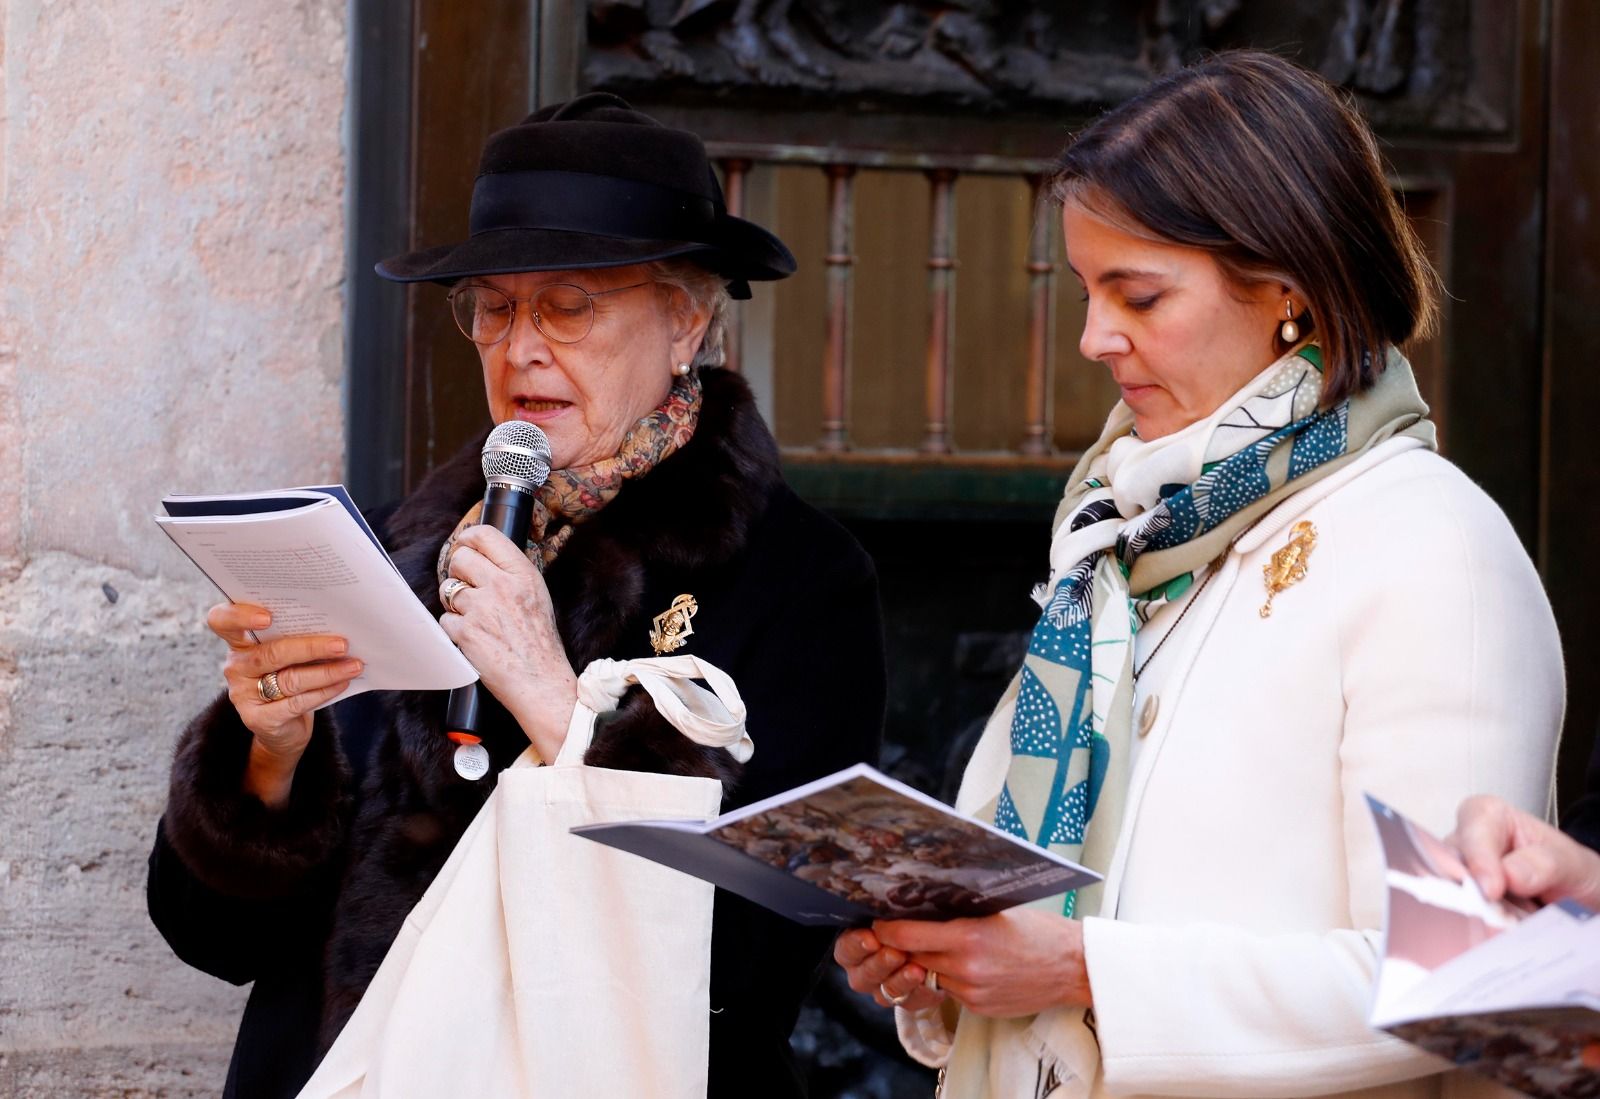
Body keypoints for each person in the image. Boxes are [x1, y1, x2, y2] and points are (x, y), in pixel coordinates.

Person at [834, 50, 1563, 1098]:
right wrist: (941, 964)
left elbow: (1466, 979)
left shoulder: (1430, 542)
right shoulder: (1119, 545)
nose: (1092, 337)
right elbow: (1032, 898)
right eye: (1087, 292)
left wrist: (1080, 968)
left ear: (1290, 293)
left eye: (1137, 295)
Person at [147, 93, 886, 1099]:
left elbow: (754, 952)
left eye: (568, 305)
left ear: (689, 321)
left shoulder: (797, 576)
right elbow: (218, 939)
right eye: (493, 308)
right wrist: (269, 761)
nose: (520, 346)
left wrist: (557, 698)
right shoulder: (396, 550)